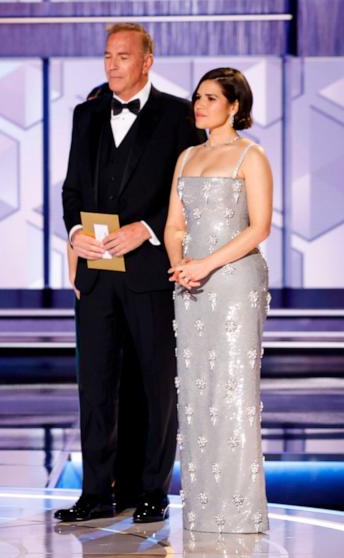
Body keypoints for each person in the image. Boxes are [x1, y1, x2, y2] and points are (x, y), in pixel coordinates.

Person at [57, 22, 204, 523]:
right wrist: (75, 230)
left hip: (149, 270)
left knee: (155, 384)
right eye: (107, 56)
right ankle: (95, 493)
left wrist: (148, 229)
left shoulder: (180, 118)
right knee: (95, 385)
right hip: (97, 270)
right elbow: (72, 186)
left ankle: (151, 493)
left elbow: (190, 195)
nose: (112, 65)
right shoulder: (87, 114)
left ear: (147, 61)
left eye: (122, 57)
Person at [165, 67, 272, 533]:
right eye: (198, 97)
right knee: (196, 390)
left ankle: (239, 513)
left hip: (234, 284)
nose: (200, 105)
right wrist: (180, 265)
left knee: (232, 389)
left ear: (235, 106)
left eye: (211, 98)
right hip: (188, 283)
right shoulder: (186, 156)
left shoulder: (252, 156)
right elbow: (174, 225)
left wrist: (205, 265)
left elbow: (259, 228)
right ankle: (203, 510)